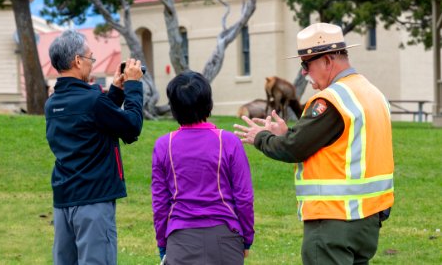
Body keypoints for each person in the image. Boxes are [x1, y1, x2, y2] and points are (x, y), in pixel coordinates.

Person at [234, 23, 394, 265]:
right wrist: (289, 132)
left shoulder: (331, 100)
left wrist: (261, 137)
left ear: (327, 61)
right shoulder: (373, 94)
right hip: (368, 220)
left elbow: (293, 147)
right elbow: (340, 144)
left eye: (306, 64)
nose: (303, 73)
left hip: (334, 222)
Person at [45, 29, 144, 264]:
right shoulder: (92, 100)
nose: (92, 63)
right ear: (78, 61)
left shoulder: (52, 103)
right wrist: (133, 87)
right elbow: (131, 127)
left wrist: (117, 91)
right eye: (90, 58)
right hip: (94, 200)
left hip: (64, 200)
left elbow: (92, 120)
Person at [152, 71, 254, 265]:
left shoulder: (164, 145)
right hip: (226, 238)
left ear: (173, 107)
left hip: (180, 239)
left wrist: (163, 243)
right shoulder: (228, 141)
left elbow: (160, 203)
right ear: (209, 103)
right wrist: (247, 237)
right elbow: (244, 197)